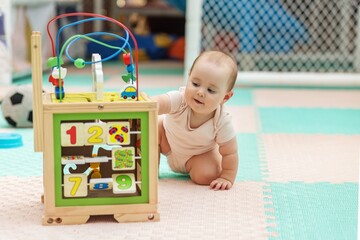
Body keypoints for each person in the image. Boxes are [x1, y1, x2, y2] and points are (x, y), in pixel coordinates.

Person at [151, 50, 238, 190]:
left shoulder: (222, 121)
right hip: (167, 142)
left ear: (225, 97)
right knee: (153, 127)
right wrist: (143, 103)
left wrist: (227, 176)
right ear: (189, 77)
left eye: (210, 90)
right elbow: (158, 103)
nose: (200, 92)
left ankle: (211, 162)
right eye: (195, 84)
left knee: (207, 176)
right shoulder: (180, 99)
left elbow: (230, 152)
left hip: (197, 156)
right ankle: (150, 169)